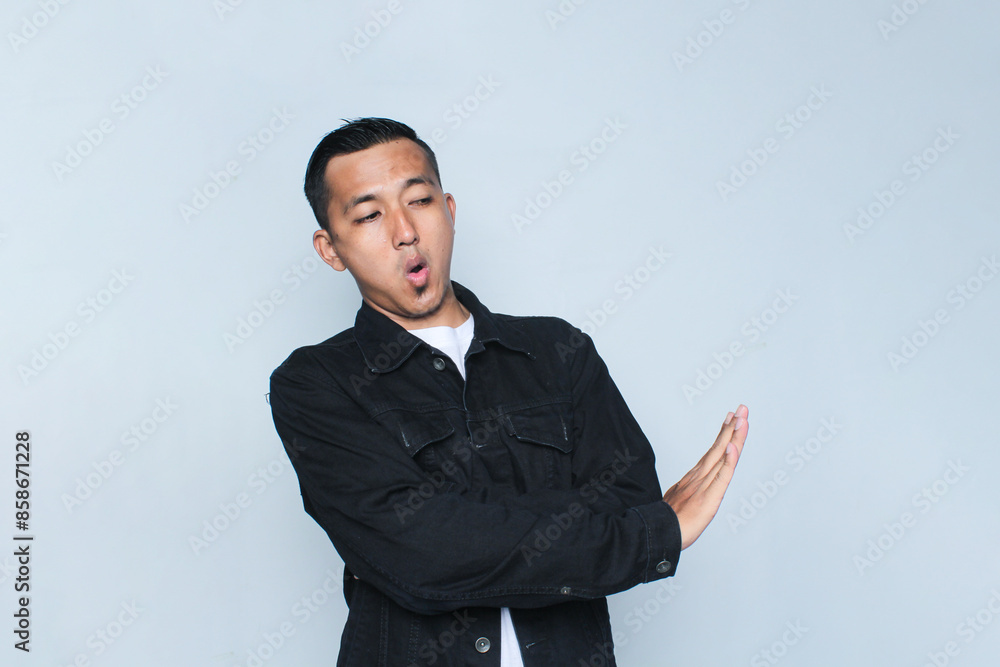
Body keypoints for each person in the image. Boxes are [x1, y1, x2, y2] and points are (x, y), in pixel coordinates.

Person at [268, 117, 750, 666]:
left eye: (419, 201)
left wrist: (462, 526)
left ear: (449, 210)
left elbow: (628, 498)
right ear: (330, 249)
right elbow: (421, 554)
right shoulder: (315, 383)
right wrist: (641, 538)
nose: (404, 231)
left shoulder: (559, 351)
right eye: (370, 215)